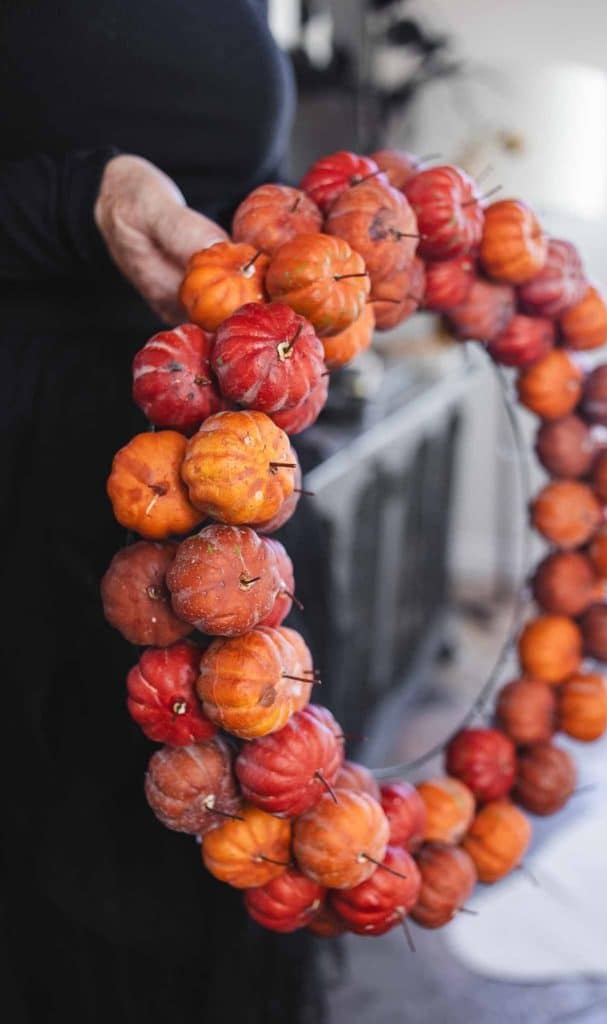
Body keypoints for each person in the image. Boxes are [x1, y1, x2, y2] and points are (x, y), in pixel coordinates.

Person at [0, 3, 323, 1021]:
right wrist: (76, 204)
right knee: (71, 876)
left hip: (233, 479)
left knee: (243, 849)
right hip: (37, 466)